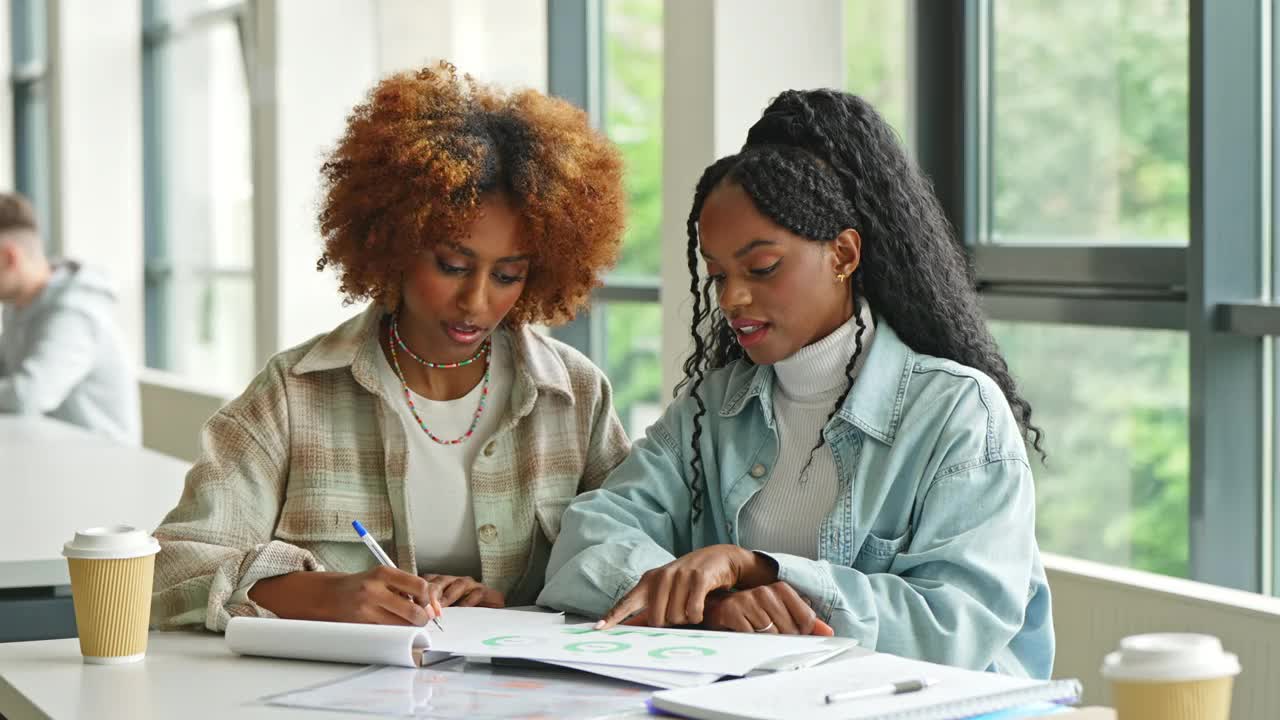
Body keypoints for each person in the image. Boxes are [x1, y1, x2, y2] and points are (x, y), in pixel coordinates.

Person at [539, 89, 1054, 679]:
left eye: (761, 269)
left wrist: (759, 567)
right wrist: (716, 603)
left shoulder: (957, 410)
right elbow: (587, 539)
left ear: (843, 253)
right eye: (717, 275)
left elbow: (953, 625)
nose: (731, 298)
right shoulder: (715, 407)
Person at [151, 62, 630, 632]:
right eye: (453, 266)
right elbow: (170, 571)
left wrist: (523, 604)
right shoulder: (293, 394)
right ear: (395, 243)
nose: (476, 301)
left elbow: (636, 559)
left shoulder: (574, 396)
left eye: (508, 275)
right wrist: (319, 594)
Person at [0, 192, 140, 444]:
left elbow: (29, 395)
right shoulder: (17, 305)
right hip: (46, 452)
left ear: (9, 258)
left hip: (100, 467)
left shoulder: (74, 311)